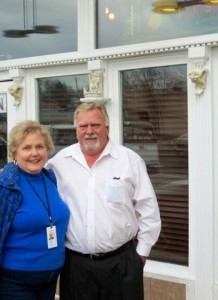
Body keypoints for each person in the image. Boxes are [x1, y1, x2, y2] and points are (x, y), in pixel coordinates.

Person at [46, 101, 161, 300]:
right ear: (76, 130)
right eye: (83, 126)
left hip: (122, 264)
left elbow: (149, 211)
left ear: (107, 128)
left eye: (95, 125)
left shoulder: (129, 161)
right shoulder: (58, 163)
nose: (89, 131)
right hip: (75, 266)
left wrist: (140, 256)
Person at [0, 120, 70, 300]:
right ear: (14, 152)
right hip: (16, 281)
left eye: (39, 147)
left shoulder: (50, 178)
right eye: (26, 148)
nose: (34, 153)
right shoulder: (3, 186)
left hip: (49, 278)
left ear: (47, 149)